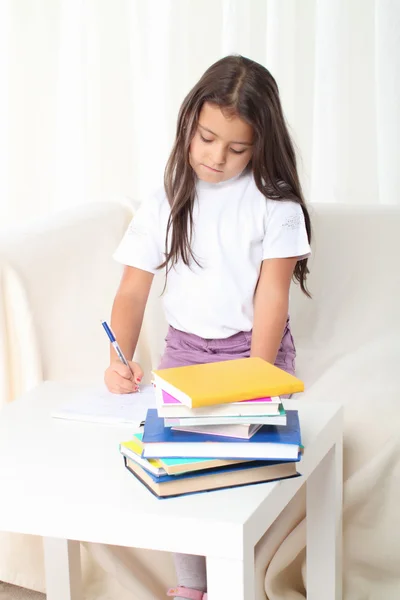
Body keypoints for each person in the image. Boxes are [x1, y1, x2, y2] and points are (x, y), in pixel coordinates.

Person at [105, 54, 311, 600]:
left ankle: (238, 581)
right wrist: (116, 357)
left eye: (237, 148)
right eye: (206, 138)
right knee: (180, 467)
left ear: (260, 146)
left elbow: (274, 293)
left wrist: (258, 373)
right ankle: (192, 588)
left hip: (252, 348)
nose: (217, 157)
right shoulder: (169, 198)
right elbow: (132, 290)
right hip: (185, 354)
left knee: (238, 469)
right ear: (189, 123)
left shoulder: (276, 206)